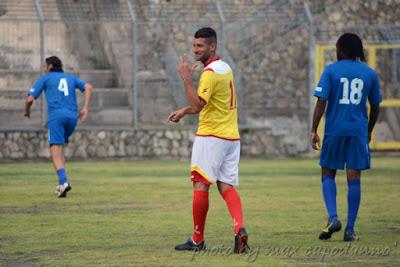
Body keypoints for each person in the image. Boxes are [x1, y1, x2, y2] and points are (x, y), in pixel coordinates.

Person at [168, 27, 249, 253]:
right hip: (231, 137)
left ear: (212, 47)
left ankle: (197, 240)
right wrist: (184, 111)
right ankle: (239, 228)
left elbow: (197, 104)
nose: (195, 50)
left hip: (211, 137)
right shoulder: (225, 68)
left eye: (200, 46)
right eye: (194, 45)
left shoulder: (210, 73)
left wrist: (186, 79)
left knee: (200, 184)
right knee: (225, 185)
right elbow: (209, 104)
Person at [311, 33, 381, 241]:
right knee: (354, 178)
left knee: (328, 173)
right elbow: (376, 106)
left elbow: (321, 101)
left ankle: (333, 217)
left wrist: (314, 129)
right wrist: (368, 130)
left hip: (335, 130)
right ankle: (350, 230)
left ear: (341, 49)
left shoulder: (332, 70)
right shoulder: (369, 74)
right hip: (357, 131)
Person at [24, 56, 93, 198]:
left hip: (56, 118)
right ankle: (62, 186)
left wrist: (27, 111)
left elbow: (30, 99)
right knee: (60, 150)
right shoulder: (70, 77)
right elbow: (88, 87)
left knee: (55, 152)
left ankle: (64, 181)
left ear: (50, 67)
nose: (44, 68)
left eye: (45, 66)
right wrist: (85, 108)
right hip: (72, 118)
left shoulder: (46, 78)